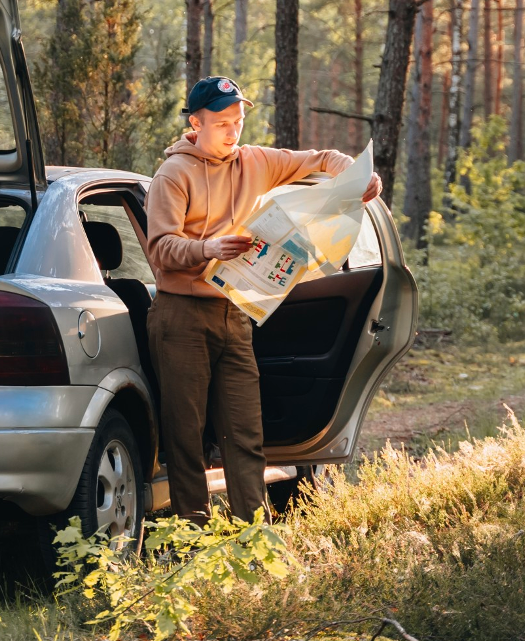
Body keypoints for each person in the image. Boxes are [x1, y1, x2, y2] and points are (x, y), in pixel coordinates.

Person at [146, 76, 381, 525]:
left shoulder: (254, 161)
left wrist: (358, 176)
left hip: (234, 313)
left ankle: (253, 538)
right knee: (186, 436)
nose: (233, 131)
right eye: (221, 123)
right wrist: (207, 249)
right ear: (195, 123)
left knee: (245, 433)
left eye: (238, 121)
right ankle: (193, 539)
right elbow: (159, 250)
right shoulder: (173, 175)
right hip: (180, 318)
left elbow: (320, 160)